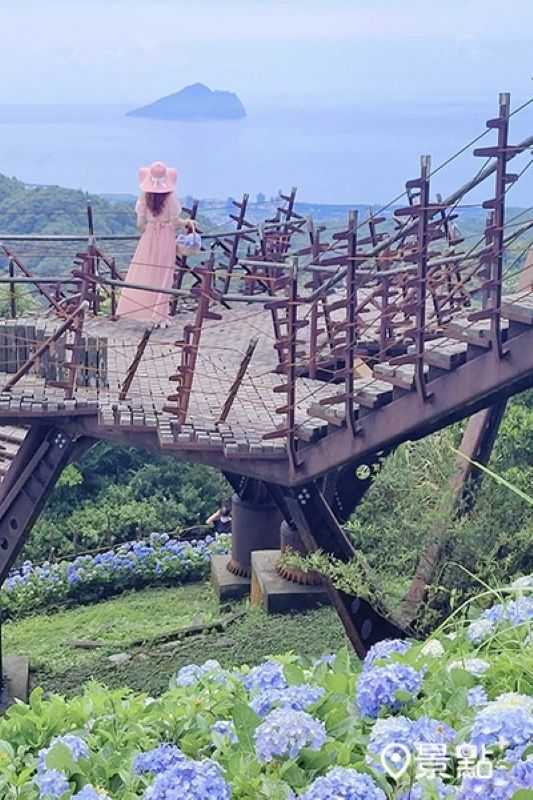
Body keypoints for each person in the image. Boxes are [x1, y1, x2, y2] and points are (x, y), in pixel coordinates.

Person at [116, 161, 193, 326]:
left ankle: (140, 310)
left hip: (149, 235)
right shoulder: (171, 196)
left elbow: (139, 224)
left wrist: (149, 228)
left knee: (146, 272)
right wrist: (186, 222)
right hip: (166, 235)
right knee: (164, 275)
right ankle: (160, 316)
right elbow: (175, 220)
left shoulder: (144, 195)